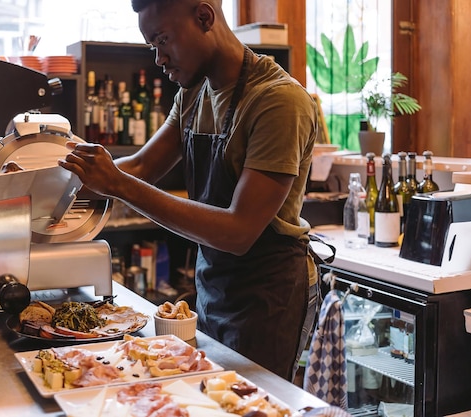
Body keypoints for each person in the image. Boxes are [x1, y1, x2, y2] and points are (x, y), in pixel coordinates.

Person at [59, 0, 319, 381]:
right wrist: (62, 185)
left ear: (204, 17)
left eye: (163, 40)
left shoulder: (278, 101)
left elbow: (238, 231)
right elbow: (143, 167)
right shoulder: (194, 95)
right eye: (151, 46)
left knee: (250, 403)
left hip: (269, 297)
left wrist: (116, 183)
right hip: (213, 286)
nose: (159, 59)